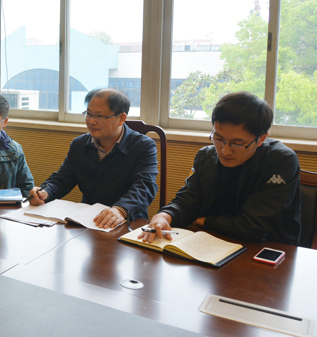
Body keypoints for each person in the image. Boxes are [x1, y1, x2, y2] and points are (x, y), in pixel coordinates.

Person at [141, 92, 301, 245]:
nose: (225, 151)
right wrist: (165, 215)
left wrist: (204, 222)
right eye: (218, 138)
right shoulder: (206, 156)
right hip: (207, 243)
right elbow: (188, 200)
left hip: (265, 249)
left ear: (261, 139)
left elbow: (253, 227)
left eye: (237, 143)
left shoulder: (281, 161)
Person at [28, 88, 158, 229]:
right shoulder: (79, 144)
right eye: (88, 114)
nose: (91, 121)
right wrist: (45, 192)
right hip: (87, 221)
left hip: (127, 222)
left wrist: (121, 209)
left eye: (99, 116)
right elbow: (63, 178)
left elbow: (144, 187)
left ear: (121, 118)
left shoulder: (143, 146)